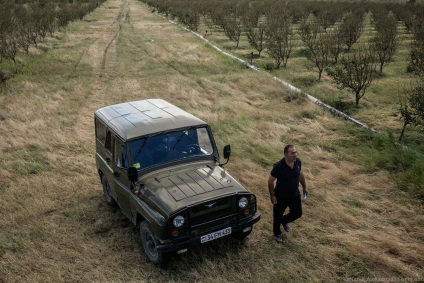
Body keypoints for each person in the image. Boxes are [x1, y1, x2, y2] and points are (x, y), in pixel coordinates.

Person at [268, 144, 307, 243]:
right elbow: (270, 181)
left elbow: (300, 174)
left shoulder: (297, 162)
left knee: (297, 213)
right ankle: (277, 233)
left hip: (294, 194)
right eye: (292, 153)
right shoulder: (279, 166)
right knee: (277, 216)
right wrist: (272, 195)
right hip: (281, 196)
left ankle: (284, 221)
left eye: (295, 152)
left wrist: (304, 187)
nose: (295, 155)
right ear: (285, 154)